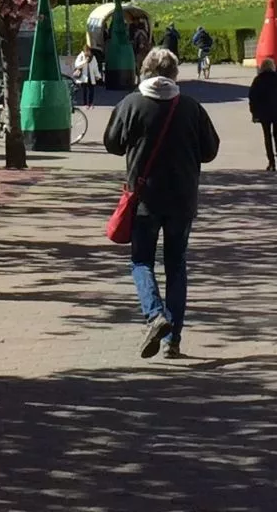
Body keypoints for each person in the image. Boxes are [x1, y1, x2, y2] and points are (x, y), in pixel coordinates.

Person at [103, 47, 219, 361]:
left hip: (144, 200)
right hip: (182, 199)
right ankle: (173, 341)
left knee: (141, 261)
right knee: (176, 265)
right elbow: (210, 150)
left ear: (145, 71)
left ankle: (155, 316)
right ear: (174, 74)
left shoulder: (131, 104)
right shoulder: (191, 107)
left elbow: (112, 143)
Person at [248, 58, 277, 171]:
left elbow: (252, 98)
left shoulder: (258, 80)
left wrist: (254, 113)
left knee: (267, 136)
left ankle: (271, 162)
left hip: (263, 113)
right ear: (273, 67)